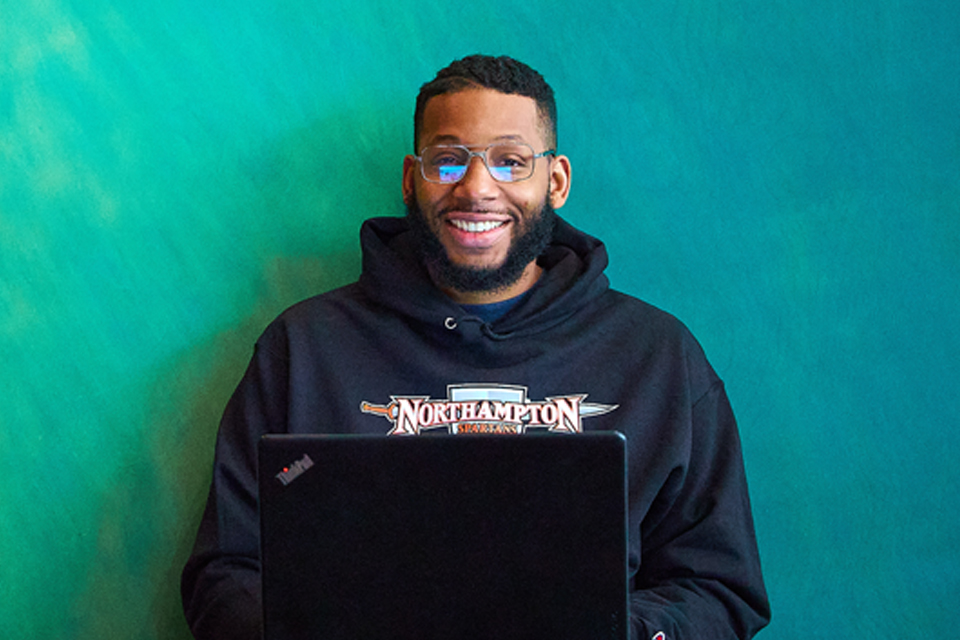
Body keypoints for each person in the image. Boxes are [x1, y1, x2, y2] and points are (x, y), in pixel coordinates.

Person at [181, 54, 771, 640]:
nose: (476, 188)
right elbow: (226, 573)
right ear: (412, 179)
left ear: (556, 180)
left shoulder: (656, 356)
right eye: (448, 161)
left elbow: (721, 587)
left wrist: (615, 631)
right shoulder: (305, 350)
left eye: (511, 162)